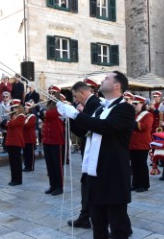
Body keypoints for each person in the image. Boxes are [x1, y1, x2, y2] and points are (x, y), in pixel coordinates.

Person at [57, 71, 135, 239]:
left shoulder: (126, 108)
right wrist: (68, 117)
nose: (102, 80)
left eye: (107, 78)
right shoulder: (101, 108)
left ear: (117, 85)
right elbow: (85, 131)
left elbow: (105, 127)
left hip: (113, 174)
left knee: (118, 227)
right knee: (98, 226)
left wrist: (76, 114)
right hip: (95, 173)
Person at [67, 81, 101, 229]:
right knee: (86, 183)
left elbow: (84, 129)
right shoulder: (91, 104)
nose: (75, 100)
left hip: (94, 151)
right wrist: (69, 118)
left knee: (91, 185)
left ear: (82, 93)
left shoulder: (94, 104)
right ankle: (85, 216)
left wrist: (72, 116)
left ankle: (89, 217)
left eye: (75, 96)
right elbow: (83, 129)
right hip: (89, 150)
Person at [42, 85, 65, 196]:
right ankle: (52, 185)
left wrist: (40, 112)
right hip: (47, 139)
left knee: (57, 165)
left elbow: (50, 115)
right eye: (49, 93)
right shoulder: (49, 106)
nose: (50, 95)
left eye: (52, 93)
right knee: (49, 164)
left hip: (56, 139)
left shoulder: (60, 106)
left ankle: (59, 186)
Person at [129, 95, 153, 192]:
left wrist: (130, 121)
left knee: (141, 165)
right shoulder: (134, 115)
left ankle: (144, 185)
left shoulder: (148, 115)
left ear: (142, 104)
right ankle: (135, 184)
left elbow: (144, 127)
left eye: (136, 104)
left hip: (142, 144)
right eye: (133, 104)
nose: (134, 106)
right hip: (132, 144)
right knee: (134, 165)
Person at [4, 99, 25, 186]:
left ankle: (18, 180)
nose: (14, 109)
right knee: (12, 162)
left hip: (16, 141)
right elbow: (8, 126)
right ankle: (13, 178)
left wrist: (8, 122)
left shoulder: (21, 116)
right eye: (13, 108)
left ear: (19, 107)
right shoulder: (12, 117)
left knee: (17, 162)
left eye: (16, 107)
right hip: (10, 141)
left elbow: (12, 124)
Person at [22, 101, 37, 172]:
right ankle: (26, 166)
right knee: (25, 153)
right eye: (25, 108)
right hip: (24, 137)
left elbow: (27, 125)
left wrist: (22, 124)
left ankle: (30, 167)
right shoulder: (25, 116)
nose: (25, 109)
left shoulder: (32, 116)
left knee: (30, 154)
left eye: (26, 108)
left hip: (30, 137)